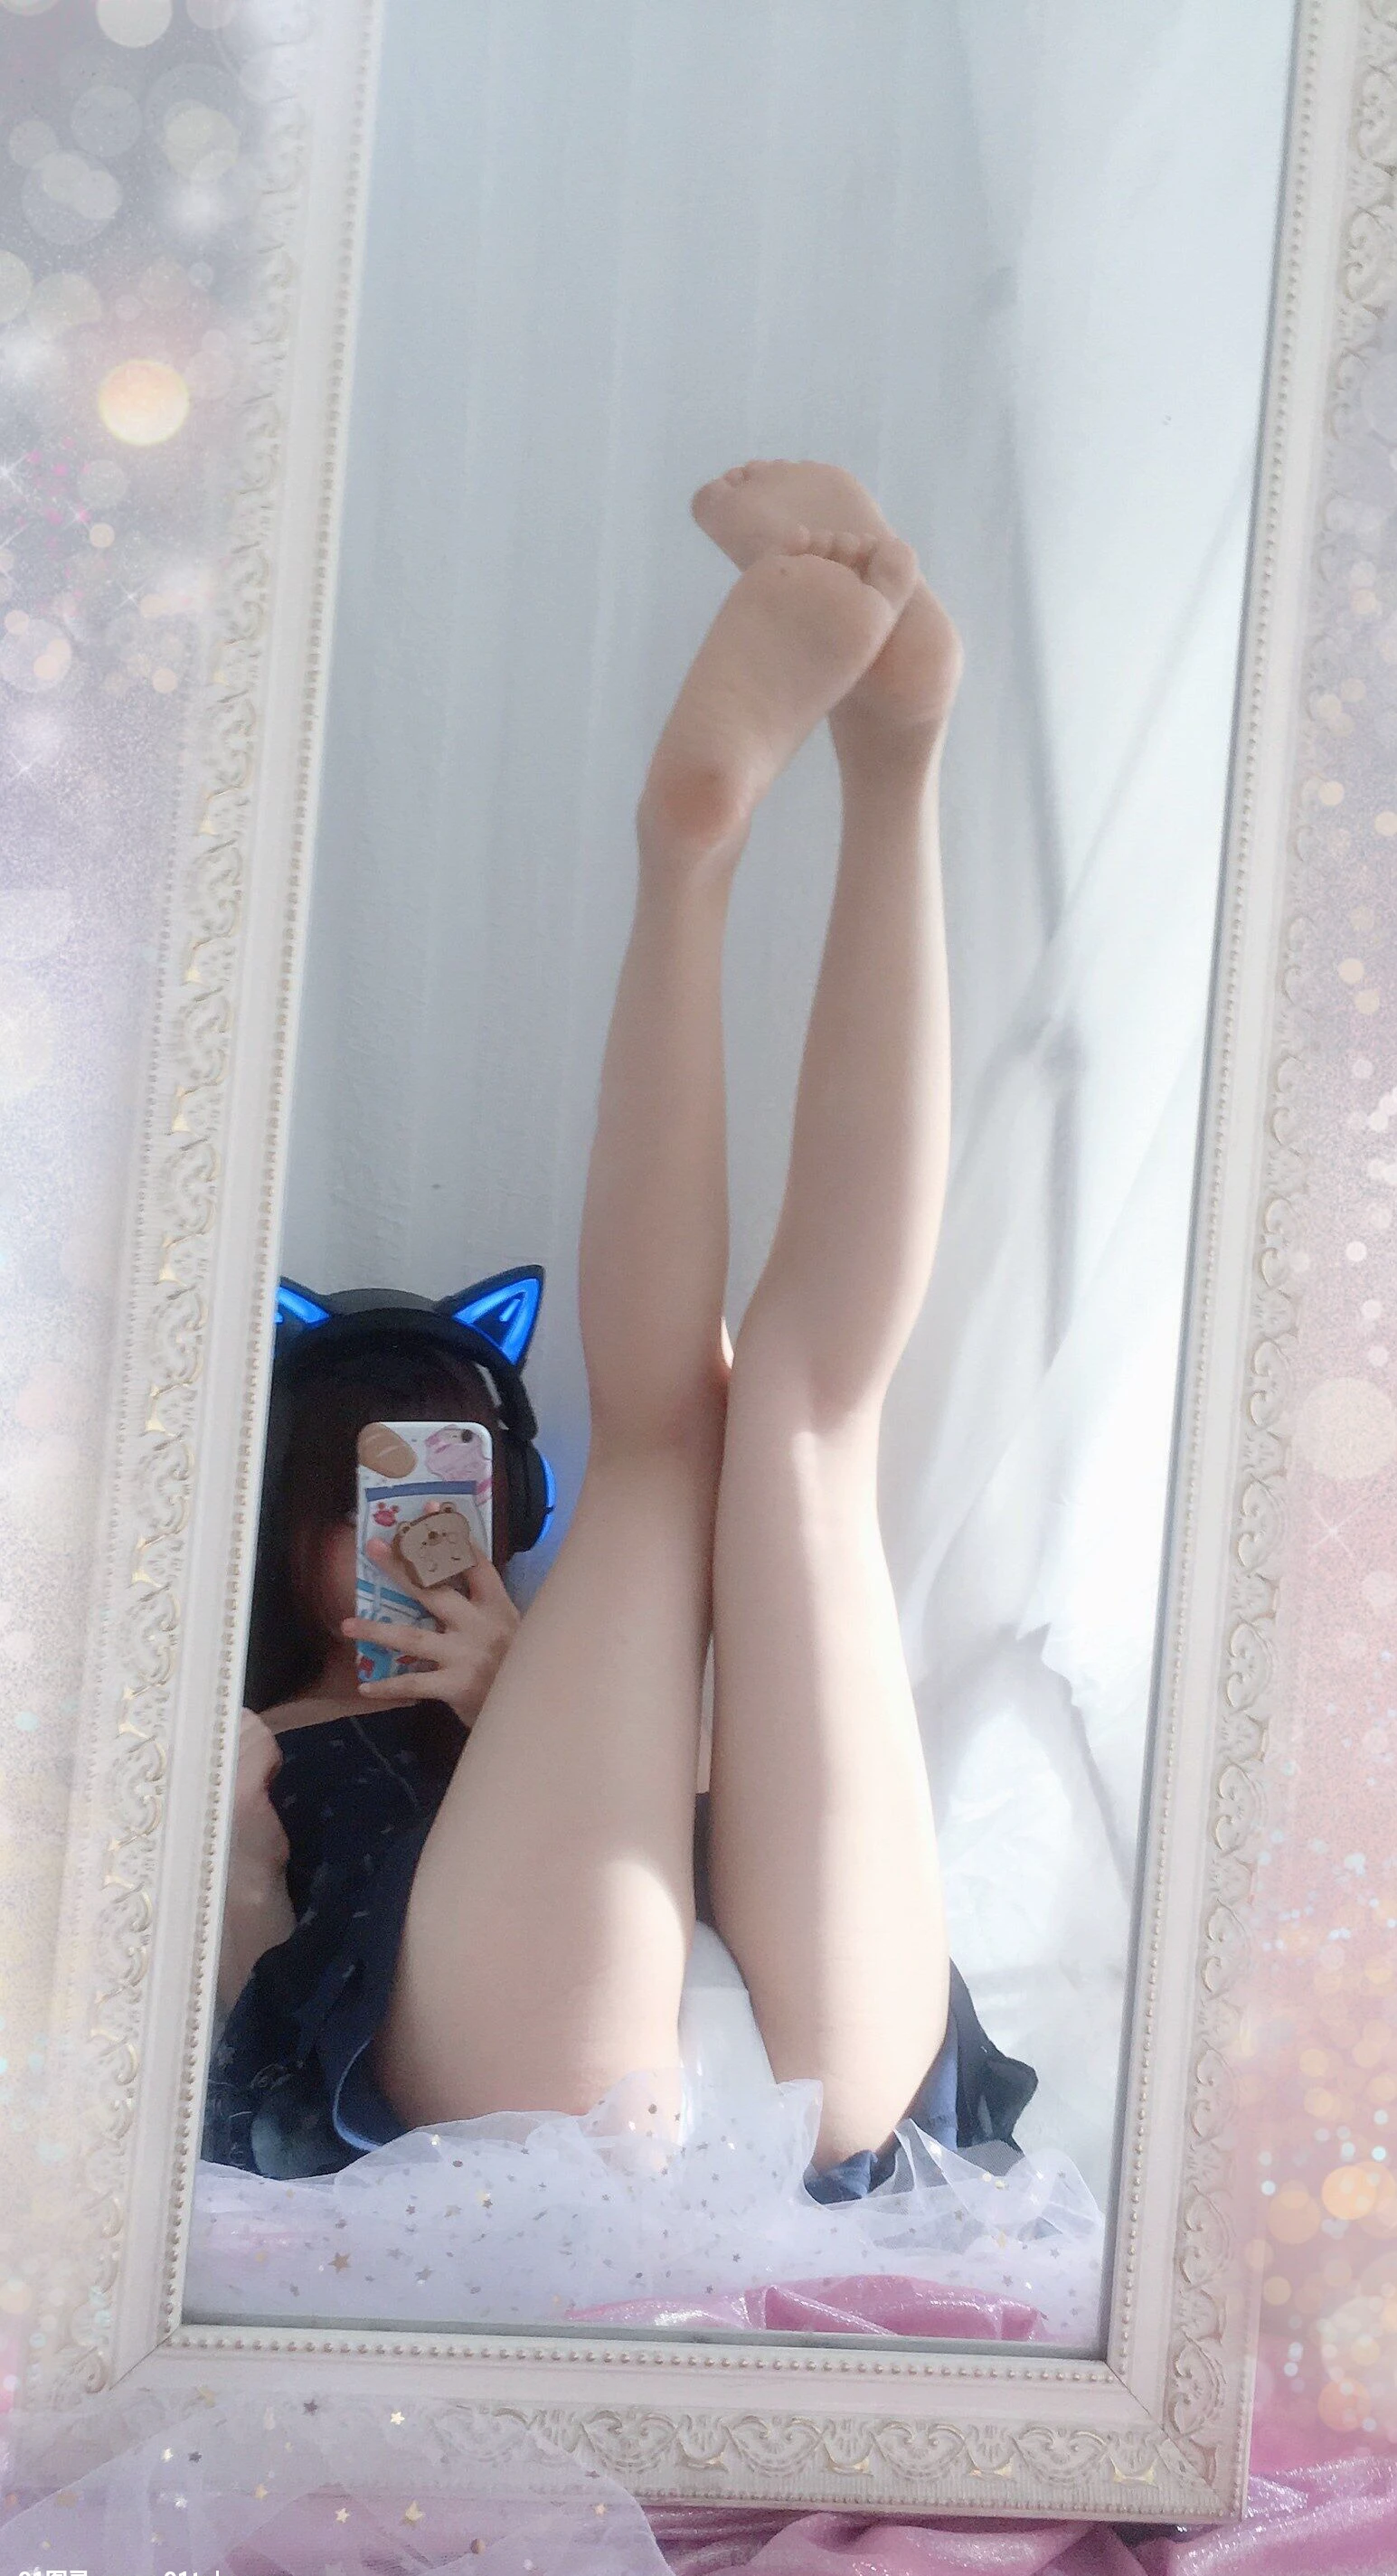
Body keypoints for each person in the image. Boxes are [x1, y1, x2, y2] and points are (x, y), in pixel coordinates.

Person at [203, 459, 1035, 2195]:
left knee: (746, 1439)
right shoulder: (253, 1738)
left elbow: (743, 1806)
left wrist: (521, 1690)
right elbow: (217, 2004)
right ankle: (822, 790)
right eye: (357, 1493)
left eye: (442, 1470)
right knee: (776, 1436)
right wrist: (246, 1809)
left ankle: (849, 775)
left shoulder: (548, 1650)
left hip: (667, 2029)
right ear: (280, 1525)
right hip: (671, 2074)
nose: (407, 1526)